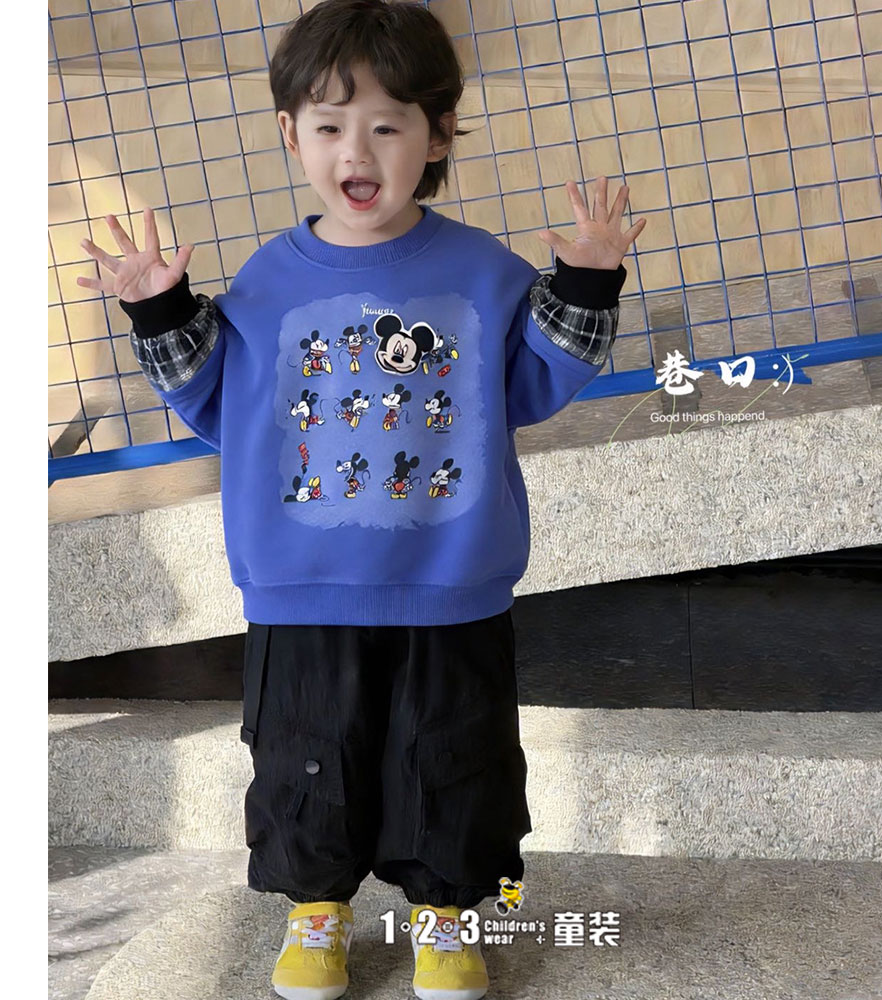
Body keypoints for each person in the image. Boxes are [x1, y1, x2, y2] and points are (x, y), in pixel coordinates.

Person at [77, 2, 645, 997]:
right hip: (301, 589)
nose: (358, 149)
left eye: (387, 124)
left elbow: (535, 381)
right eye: (330, 124)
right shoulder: (269, 278)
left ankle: (443, 916)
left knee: (451, 756)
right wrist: (158, 308)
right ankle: (316, 910)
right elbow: (216, 403)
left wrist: (587, 284)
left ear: (438, 135)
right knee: (307, 756)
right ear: (290, 133)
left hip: (451, 586)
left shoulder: (481, 270)